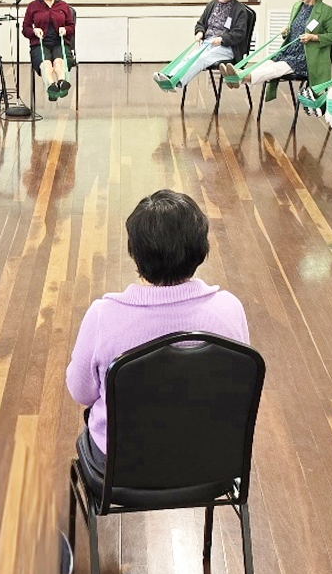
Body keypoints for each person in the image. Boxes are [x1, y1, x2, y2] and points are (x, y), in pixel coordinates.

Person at [67, 190, 250, 473]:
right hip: (210, 461)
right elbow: (237, 385)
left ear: (135, 253)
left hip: (122, 467)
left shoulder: (103, 316)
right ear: (201, 249)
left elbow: (81, 392)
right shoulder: (230, 309)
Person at [223, 0, 332, 104]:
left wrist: (313, 37)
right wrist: (286, 31)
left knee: (277, 68)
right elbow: (293, 30)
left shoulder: (325, 10)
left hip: (306, 57)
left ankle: (243, 78)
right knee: (268, 63)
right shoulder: (298, 6)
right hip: (290, 51)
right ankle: (240, 75)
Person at [153, 0, 254, 91]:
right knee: (190, 57)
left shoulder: (240, 10)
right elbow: (201, 23)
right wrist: (200, 32)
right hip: (208, 43)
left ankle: (177, 83)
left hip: (227, 48)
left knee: (202, 59)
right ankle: (169, 77)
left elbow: (239, 34)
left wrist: (222, 39)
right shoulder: (212, 5)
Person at [21, 0, 75, 101]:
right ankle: (51, 87)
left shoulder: (63, 6)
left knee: (59, 63)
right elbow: (25, 29)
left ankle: (62, 83)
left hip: (59, 43)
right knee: (46, 65)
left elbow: (71, 27)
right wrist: (34, 31)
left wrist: (65, 29)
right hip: (40, 44)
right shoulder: (33, 6)